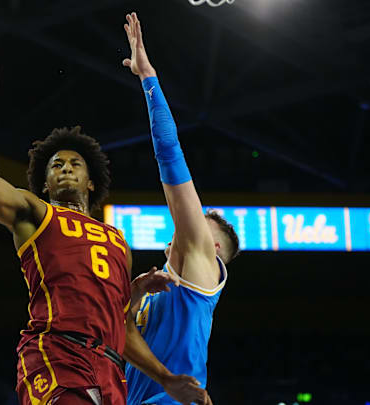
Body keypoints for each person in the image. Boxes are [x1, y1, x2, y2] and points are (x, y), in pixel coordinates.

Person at [0, 29, 208, 404]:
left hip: (110, 367)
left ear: (90, 182)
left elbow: (121, 326)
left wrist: (165, 378)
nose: (65, 169)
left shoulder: (118, 242)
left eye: (74, 164)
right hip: (56, 354)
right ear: (46, 183)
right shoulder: (35, 213)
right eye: (56, 166)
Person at [120, 12, 241, 405]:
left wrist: (147, 77)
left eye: (199, 225)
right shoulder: (156, 290)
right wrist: (134, 296)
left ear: (215, 251)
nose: (187, 226)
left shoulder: (202, 267)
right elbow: (117, 336)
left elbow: (170, 156)